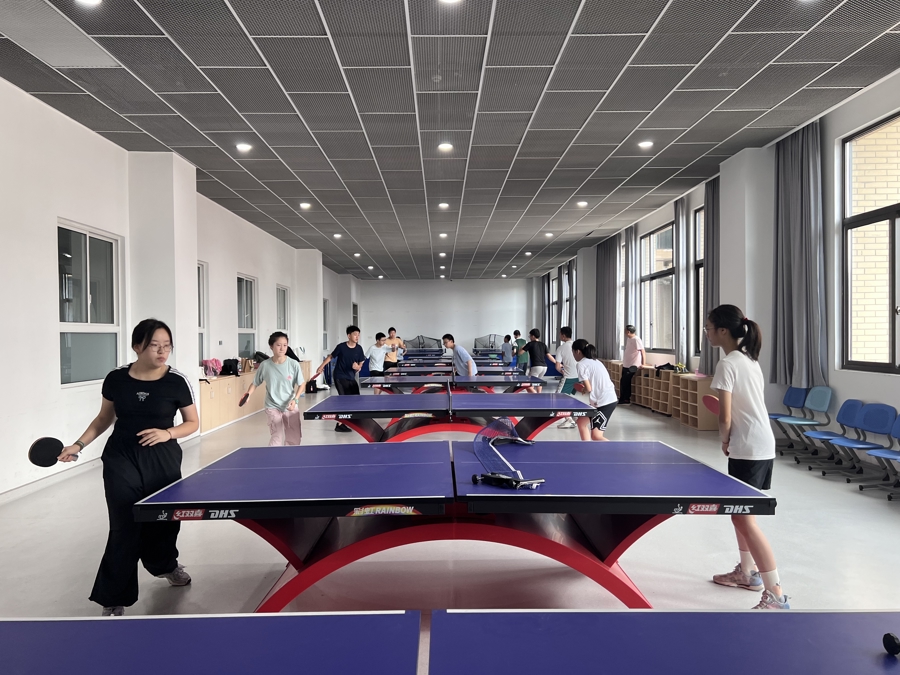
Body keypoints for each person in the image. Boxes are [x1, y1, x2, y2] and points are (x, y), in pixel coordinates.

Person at [57, 319, 199, 617]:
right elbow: (103, 419)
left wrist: (167, 433)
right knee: (124, 523)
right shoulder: (116, 379)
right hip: (121, 456)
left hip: (162, 459)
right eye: (154, 345)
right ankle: (114, 596)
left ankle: (165, 565)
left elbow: (192, 423)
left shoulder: (177, 381)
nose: (162, 351)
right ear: (137, 347)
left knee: (164, 520)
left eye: (167, 346)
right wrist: (78, 445)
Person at [705, 304, 789, 610]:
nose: (707, 333)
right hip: (759, 444)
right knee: (739, 513)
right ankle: (746, 572)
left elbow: (725, 416)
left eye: (709, 328)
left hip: (749, 447)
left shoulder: (727, 364)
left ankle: (775, 594)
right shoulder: (749, 359)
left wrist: (725, 439)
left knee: (744, 517)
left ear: (722, 331)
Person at [245, 331, 304, 446]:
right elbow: (255, 383)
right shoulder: (265, 365)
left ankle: (291, 456)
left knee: (294, 437)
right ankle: (274, 457)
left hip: (290, 405)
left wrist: (295, 400)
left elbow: (302, 384)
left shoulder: (293, 364)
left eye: (285, 345)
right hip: (272, 405)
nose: (282, 348)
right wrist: (248, 394)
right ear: (271, 346)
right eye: (278, 345)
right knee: (276, 436)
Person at [315, 325, 366, 432]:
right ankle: (340, 424)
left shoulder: (359, 348)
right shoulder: (341, 347)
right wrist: (321, 366)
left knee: (356, 398)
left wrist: (358, 367)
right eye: (355, 334)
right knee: (344, 400)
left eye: (358, 335)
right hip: (339, 376)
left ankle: (350, 419)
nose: (357, 337)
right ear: (349, 336)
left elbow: (361, 362)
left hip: (351, 377)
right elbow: (331, 357)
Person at [572, 339, 617, 441]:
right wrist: (584, 389)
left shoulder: (581, 364)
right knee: (581, 422)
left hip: (605, 402)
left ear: (578, 351)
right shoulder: (596, 361)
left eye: (573, 352)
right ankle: (587, 448)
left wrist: (582, 389)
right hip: (604, 398)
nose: (573, 355)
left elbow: (588, 388)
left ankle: (616, 449)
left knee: (596, 436)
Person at [555, 326, 579, 428]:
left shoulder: (561, 348)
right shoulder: (577, 345)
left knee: (557, 398)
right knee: (569, 397)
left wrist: (562, 371)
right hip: (579, 377)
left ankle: (569, 420)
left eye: (560, 334)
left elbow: (557, 366)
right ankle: (575, 416)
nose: (559, 335)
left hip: (568, 377)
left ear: (563, 335)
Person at [521, 328, 557, 393]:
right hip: (544, 367)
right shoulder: (543, 344)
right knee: (539, 382)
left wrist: (522, 347)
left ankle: (536, 396)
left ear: (533, 336)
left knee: (528, 385)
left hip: (536, 367)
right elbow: (549, 356)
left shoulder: (530, 344)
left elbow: (520, 353)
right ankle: (539, 395)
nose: (530, 338)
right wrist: (556, 362)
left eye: (530, 336)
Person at [619, 324, 645, 404]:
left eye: (625, 330)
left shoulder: (636, 339)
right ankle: (623, 398)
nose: (624, 332)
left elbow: (643, 351)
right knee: (623, 381)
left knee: (625, 382)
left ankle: (626, 399)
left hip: (633, 365)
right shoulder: (629, 339)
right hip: (626, 364)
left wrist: (643, 364)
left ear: (628, 332)